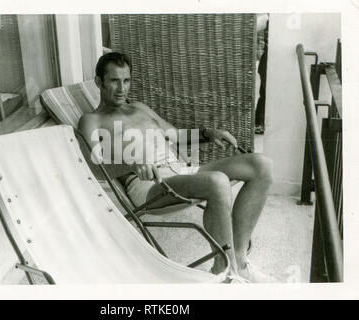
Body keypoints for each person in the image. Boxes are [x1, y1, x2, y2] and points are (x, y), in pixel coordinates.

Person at [79, 52, 275, 283]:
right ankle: (225, 272)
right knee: (217, 181)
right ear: (99, 82)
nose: (122, 88)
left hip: (181, 170)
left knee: (262, 165)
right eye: (114, 81)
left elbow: (175, 135)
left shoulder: (139, 108)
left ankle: (239, 263)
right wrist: (131, 162)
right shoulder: (91, 120)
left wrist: (208, 133)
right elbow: (93, 164)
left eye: (126, 80)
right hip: (150, 184)